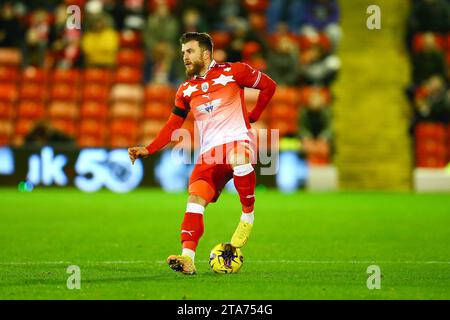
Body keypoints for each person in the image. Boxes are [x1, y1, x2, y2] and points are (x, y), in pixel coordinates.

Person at [128, 32, 276, 275]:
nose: (185, 56)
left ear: (206, 54)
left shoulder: (234, 71)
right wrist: (149, 148)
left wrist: (256, 114)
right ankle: (188, 259)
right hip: (209, 153)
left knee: (239, 158)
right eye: (184, 52)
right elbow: (172, 126)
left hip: (238, 139)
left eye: (190, 51)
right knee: (195, 200)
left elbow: (269, 86)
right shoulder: (186, 90)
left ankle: (247, 215)